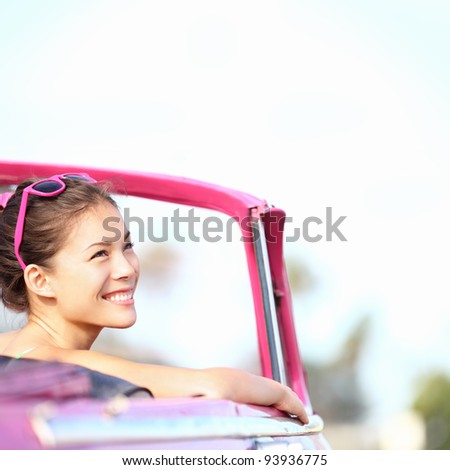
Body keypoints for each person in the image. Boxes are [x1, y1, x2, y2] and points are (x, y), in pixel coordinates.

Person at [0, 173, 308, 423]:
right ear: (40, 280)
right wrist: (282, 394)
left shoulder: (16, 349)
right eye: (99, 254)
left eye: (127, 246)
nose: (126, 268)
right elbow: (208, 388)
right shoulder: (58, 362)